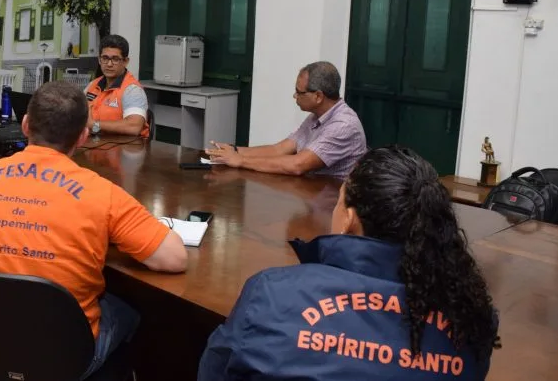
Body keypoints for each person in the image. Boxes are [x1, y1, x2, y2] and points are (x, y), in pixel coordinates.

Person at [198, 146, 500, 381]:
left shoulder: (272, 294)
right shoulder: (470, 315)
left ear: (349, 218)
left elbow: (216, 371)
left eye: (339, 199)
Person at [0, 81, 187, 380]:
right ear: (83, 135)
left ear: (25, 125)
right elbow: (174, 258)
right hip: (64, 357)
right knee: (128, 310)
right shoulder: (102, 194)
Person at [207, 61, 366, 180]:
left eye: (299, 92)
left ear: (318, 96)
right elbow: (280, 149)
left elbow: (298, 165)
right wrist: (233, 150)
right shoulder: (316, 116)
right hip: (313, 195)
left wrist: (240, 160)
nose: (294, 96)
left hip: (333, 204)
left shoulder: (343, 125)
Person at [85, 34, 149, 138]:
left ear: (125, 61)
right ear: (99, 60)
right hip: (95, 143)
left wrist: (94, 125)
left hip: (128, 149)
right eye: (105, 58)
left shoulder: (132, 90)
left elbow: (134, 127)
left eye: (115, 59)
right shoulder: (93, 85)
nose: (109, 64)